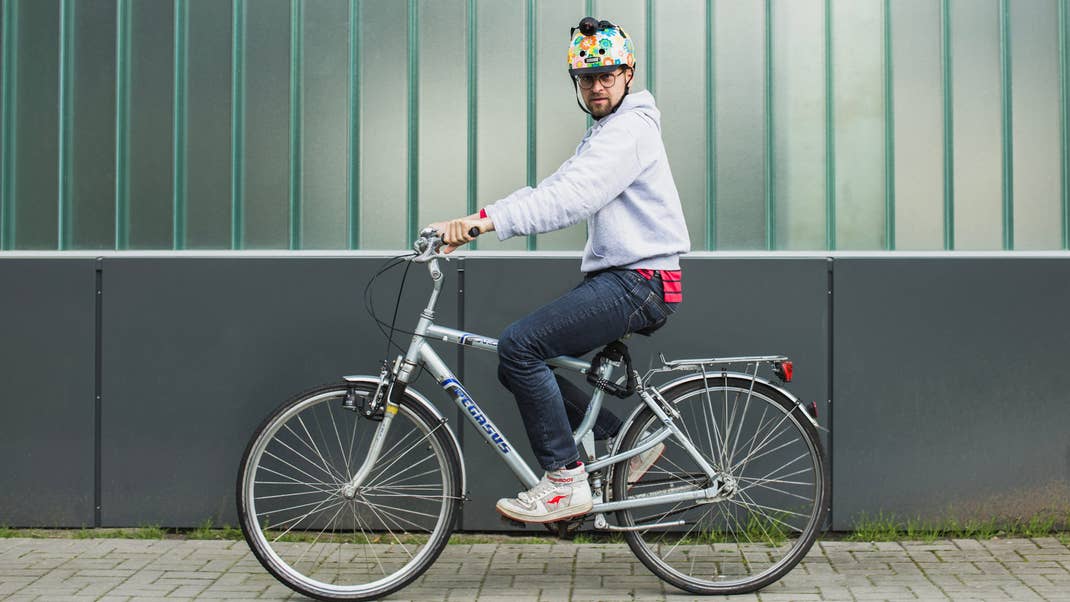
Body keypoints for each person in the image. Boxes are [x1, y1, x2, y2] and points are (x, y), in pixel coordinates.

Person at [427, 17, 690, 524]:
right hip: (622, 279)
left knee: (521, 345)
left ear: (628, 74)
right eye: (586, 78)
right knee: (517, 359)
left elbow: (570, 200)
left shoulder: (630, 131)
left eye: (607, 75)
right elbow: (549, 189)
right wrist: (472, 219)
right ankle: (622, 440)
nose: (596, 86)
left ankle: (565, 480)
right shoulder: (604, 134)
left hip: (640, 281)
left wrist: (480, 225)